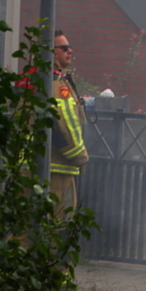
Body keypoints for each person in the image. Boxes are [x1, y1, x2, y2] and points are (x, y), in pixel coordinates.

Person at [49, 30, 89, 219]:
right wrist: (80, 156)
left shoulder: (36, 78)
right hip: (57, 166)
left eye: (70, 47)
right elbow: (65, 124)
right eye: (64, 48)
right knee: (55, 225)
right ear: (51, 51)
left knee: (28, 229)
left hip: (43, 165)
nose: (70, 51)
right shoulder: (57, 84)